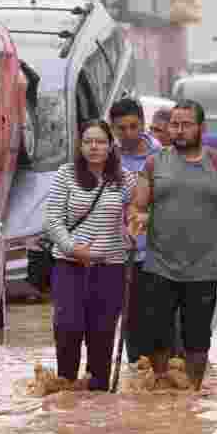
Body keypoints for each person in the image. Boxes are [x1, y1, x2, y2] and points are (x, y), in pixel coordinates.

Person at [129, 100, 217, 390]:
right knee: (157, 335)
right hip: (159, 264)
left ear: (201, 128)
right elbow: (138, 204)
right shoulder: (155, 162)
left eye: (186, 125)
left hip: (202, 267)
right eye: (175, 125)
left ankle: (193, 395)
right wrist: (138, 216)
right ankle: (160, 386)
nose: (179, 131)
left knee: (197, 340)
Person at [45, 119, 136, 390]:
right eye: (88, 142)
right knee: (67, 328)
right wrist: (73, 249)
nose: (94, 147)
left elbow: (136, 213)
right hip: (69, 265)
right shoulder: (65, 174)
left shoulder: (125, 179)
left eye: (100, 142)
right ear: (80, 145)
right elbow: (53, 220)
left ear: (110, 146)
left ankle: (97, 403)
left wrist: (133, 227)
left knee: (102, 335)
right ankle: (67, 392)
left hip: (110, 268)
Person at [109, 97, 163, 366]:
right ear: (113, 128)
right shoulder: (107, 160)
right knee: (131, 324)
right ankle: (138, 382)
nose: (128, 133)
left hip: (158, 254)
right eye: (121, 128)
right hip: (121, 256)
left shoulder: (162, 156)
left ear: (143, 123)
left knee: (161, 323)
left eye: (133, 126)